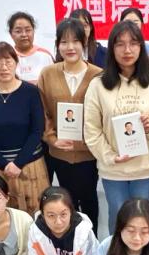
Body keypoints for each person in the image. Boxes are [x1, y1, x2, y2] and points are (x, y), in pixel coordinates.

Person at [83, 20, 149, 231]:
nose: (127, 50)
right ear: (112, 48)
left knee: (141, 218)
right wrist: (110, 156)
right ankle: (116, 253)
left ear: (141, 46)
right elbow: (92, 130)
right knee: (118, 216)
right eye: (120, 44)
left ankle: (142, 254)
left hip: (145, 167)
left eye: (133, 43)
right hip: (114, 167)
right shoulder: (98, 84)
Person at [37, 18, 103, 231]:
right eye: (64, 42)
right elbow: (43, 111)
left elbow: (102, 115)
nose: (70, 47)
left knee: (89, 199)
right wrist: (52, 138)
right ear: (57, 45)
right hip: (60, 152)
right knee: (66, 202)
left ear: (84, 43)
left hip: (88, 153)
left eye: (76, 41)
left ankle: (90, 240)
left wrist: (84, 143)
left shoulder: (98, 75)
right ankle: (69, 241)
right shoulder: (48, 74)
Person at [0, 41, 50, 216]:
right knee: (1, 214)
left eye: (8, 61)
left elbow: (37, 130)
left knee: (35, 214)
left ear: (16, 63)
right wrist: (4, 164)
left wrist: (18, 163)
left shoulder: (30, 91)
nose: (4, 67)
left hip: (30, 164)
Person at [8, 11, 54, 83]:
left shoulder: (45, 55)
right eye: (18, 31)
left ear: (33, 31)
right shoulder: (7, 57)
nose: (24, 34)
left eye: (28, 30)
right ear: (11, 34)